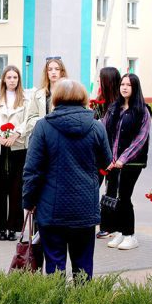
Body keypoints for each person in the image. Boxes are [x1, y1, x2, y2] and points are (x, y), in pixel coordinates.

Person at [23, 79, 111, 279]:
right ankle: (84, 299)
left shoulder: (43, 126)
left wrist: (29, 202)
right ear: (83, 98)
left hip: (51, 208)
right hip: (85, 208)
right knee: (83, 266)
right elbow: (106, 164)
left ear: (56, 98)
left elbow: (32, 171)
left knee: (54, 264)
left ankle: (56, 299)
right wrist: (91, 184)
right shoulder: (97, 127)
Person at [100, 73, 151, 250]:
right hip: (113, 162)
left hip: (132, 162)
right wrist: (108, 157)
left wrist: (123, 158)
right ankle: (120, 232)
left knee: (125, 196)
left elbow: (141, 138)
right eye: (122, 84)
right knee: (115, 196)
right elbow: (103, 131)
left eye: (129, 85)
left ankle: (130, 235)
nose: (124, 87)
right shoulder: (114, 108)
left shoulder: (143, 110)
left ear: (135, 87)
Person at [0, 65, 28, 241]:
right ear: (4, 79)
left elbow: (28, 120)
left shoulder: (25, 99)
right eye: (9, 77)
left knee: (17, 187)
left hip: (18, 146)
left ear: (18, 80)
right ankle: (1, 226)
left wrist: (16, 134)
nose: (12, 80)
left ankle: (14, 227)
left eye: (15, 77)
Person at [25, 58, 67, 132]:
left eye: (57, 69)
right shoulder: (38, 94)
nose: (53, 72)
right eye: (50, 69)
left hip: (63, 134)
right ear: (46, 73)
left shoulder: (69, 93)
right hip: (44, 134)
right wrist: (45, 122)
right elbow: (30, 119)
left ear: (62, 72)